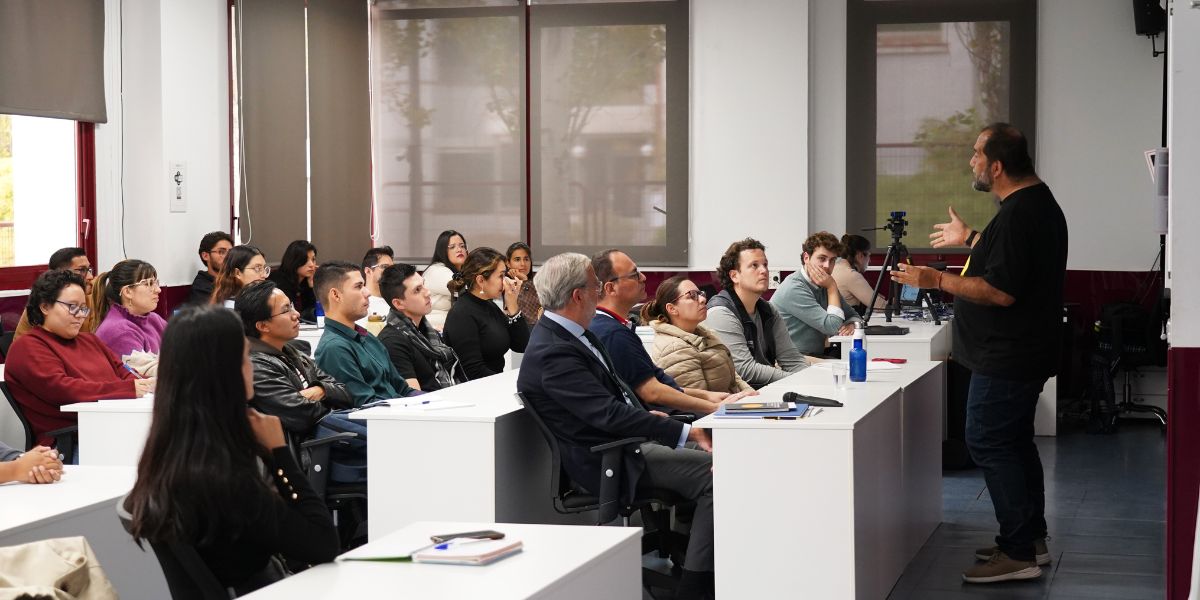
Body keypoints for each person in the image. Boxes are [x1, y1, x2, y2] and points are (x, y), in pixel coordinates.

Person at [892, 123, 1067, 584]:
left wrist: (935, 280)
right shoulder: (1034, 205)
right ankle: (1030, 539)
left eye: (976, 154)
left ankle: (1017, 552)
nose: (971, 161)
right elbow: (1009, 261)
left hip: (1007, 357)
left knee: (989, 441)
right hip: (1021, 353)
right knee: (1014, 443)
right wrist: (971, 237)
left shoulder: (1019, 213)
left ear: (997, 166)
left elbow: (1001, 290)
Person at [516, 253, 716, 600]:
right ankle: (695, 588)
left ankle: (693, 557)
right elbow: (608, 415)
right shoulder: (553, 350)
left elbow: (613, 401)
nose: (600, 292)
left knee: (727, 454)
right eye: (595, 286)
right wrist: (683, 432)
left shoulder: (574, 333)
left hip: (629, 439)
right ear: (578, 295)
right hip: (610, 457)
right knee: (720, 475)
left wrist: (653, 420)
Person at [123, 305, 339, 594]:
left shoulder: (166, 461)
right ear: (226, 373)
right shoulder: (225, 478)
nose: (252, 366)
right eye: (245, 357)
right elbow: (322, 544)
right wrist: (279, 453)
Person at [5, 270, 155, 449]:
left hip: (114, 428)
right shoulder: (28, 347)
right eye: (72, 306)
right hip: (73, 443)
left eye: (83, 308)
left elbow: (125, 373)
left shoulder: (90, 340)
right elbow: (64, 390)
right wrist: (128, 389)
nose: (80, 315)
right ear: (45, 307)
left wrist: (146, 384)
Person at [235, 281, 367, 483]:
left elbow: (345, 393)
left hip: (332, 444)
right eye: (286, 310)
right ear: (262, 326)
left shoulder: (294, 353)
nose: (296, 314)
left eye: (292, 306)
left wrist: (320, 390)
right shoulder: (256, 366)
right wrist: (327, 395)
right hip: (311, 457)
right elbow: (303, 415)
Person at [591, 250, 750, 414]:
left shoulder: (615, 327)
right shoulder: (612, 333)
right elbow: (652, 392)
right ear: (611, 288)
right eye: (634, 275)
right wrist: (714, 407)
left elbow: (662, 384)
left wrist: (708, 396)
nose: (643, 277)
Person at [313, 261, 420, 406]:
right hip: (382, 417)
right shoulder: (334, 348)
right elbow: (366, 405)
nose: (367, 292)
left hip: (398, 411)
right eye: (358, 286)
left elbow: (403, 389)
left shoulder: (367, 337)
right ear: (336, 295)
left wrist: (433, 401)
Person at [704, 238, 807, 389]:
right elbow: (745, 370)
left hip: (766, 390)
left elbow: (792, 359)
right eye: (754, 265)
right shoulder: (721, 313)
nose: (764, 270)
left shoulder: (769, 310)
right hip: (737, 395)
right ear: (734, 276)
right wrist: (795, 380)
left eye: (765, 264)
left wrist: (810, 380)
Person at [642, 275, 754, 395]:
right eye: (692, 296)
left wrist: (751, 394)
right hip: (721, 406)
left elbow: (734, 379)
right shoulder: (674, 349)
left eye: (700, 294)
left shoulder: (704, 333)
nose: (702, 299)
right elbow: (699, 402)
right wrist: (743, 399)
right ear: (672, 309)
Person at [375, 263, 467, 391]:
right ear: (399, 303)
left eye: (423, 284)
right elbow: (413, 396)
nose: (427, 292)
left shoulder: (427, 331)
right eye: (417, 290)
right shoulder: (392, 342)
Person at [770, 232, 862, 358]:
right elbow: (832, 327)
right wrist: (832, 288)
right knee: (845, 366)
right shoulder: (794, 287)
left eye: (832, 260)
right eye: (822, 259)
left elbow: (854, 316)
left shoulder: (823, 284)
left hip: (812, 356)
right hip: (789, 359)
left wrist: (852, 325)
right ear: (806, 258)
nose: (827, 266)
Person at [443, 247, 530, 379]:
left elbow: (521, 345)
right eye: (501, 276)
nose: (506, 281)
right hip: (477, 387)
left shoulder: (489, 305)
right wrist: (506, 383)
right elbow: (473, 371)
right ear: (481, 281)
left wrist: (513, 308)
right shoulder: (461, 314)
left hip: (493, 382)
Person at [93, 260, 168, 376]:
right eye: (149, 283)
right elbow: (149, 373)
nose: (158, 289)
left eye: (156, 282)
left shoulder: (154, 319)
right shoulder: (118, 330)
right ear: (127, 292)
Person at [13, 247, 98, 340]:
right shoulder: (39, 305)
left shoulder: (92, 299)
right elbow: (21, 343)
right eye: (81, 270)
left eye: (89, 270)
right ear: (60, 274)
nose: (90, 276)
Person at [422, 230, 468, 331]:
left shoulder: (460, 272)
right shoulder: (437, 270)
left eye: (462, 246)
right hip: (434, 329)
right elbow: (466, 290)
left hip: (449, 327)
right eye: (452, 247)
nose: (459, 250)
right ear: (442, 251)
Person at [832, 233, 887, 315]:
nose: (869, 260)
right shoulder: (851, 275)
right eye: (868, 255)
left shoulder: (835, 268)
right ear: (860, 255)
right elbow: (880, 307)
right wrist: (894, 304)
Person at [268, 240, 319, 322]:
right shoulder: (278, 281)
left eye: (313, 259)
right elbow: (288, 313)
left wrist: (311, 285)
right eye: (306, 260)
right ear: (294, 260)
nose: (312, 265)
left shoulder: (306, 280)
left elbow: (315, 312)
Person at [189, 231, 234, 305]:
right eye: (221, 252)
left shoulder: (235, 279)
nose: (228, 257)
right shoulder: (201, 287)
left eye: (230, 252)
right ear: (205, 256)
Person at [357, 246, 396, 328]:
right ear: (368, 271)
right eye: (385, 267)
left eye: (392, 268)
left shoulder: (397, 302)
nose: (391, 271)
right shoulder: (359, 303)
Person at [506, 242, 542, 327]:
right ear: (508, 263)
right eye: (517, 259)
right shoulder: (504, 284)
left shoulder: (540, 280)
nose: (523, 264)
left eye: (526, 259)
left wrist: (525, 281)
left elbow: (533, 316)